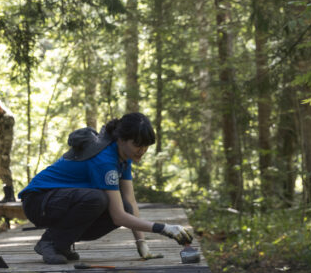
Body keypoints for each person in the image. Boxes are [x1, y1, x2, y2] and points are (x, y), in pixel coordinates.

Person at [19, 113, 193, 264]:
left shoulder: (123, 156)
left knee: (124, 206)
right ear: (122, 139)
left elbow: (130, 202)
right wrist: (164, 228)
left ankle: (61, 242)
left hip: (56, 201)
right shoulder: (105, 159)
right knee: (97, 199)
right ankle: (51, 243)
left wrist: (142, 245)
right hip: (37, 201)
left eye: (146, 146)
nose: (142, 151)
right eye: (138, 145)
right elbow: (118, 218)